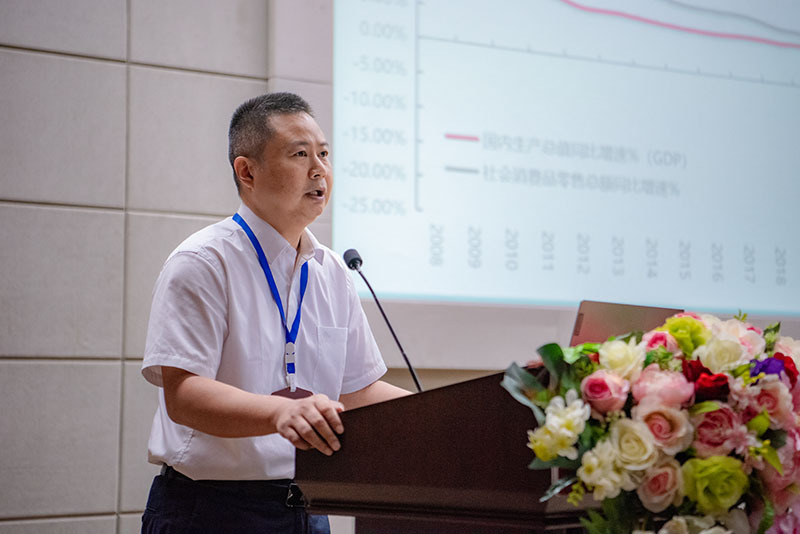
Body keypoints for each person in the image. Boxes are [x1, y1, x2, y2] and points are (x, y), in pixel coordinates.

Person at [140, 92, 410, 533]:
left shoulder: (334, 272)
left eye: (324, 154)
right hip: (211, 510)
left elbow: (357, 392)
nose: (319, 169)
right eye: (300, 154)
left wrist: (453, 412)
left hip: (308, 507)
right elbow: (183, 394)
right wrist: (277, 412)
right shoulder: (203, 262)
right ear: (247, 171)